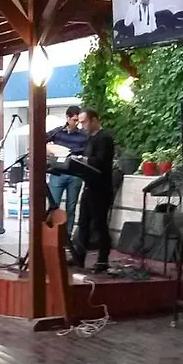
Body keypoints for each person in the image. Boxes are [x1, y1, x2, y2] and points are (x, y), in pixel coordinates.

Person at [70, 108, 115, 273]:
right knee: (83, 223)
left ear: (94, 120)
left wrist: (83, 159)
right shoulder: (90, 139)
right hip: (89, 186)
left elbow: (101, 161)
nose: (82, 126)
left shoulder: (105, 138)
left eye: (84, 122)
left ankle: (102, 260)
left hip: (101, 188)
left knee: (99, 224)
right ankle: (79, 257)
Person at [46, 105, 89, 240]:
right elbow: (41, 139)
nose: (77, 123)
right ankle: (51, 235)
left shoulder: (83, 135)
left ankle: (67, 237)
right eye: (74, 120)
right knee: (53, 205)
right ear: (67, 118)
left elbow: (86, 151)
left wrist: (72, 152)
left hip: (75, 175)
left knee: (71, 207)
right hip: (57, 173)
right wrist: (49, 150)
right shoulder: (57, 132)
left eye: (78, 121)